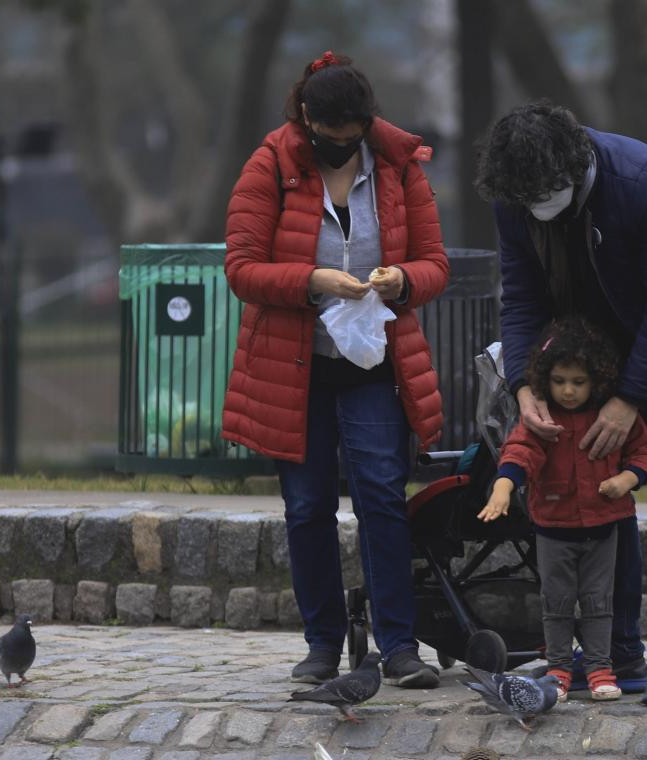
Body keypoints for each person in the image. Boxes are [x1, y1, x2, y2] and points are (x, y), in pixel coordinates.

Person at [474, 102, 647, 708]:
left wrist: (631, 399)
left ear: (576, 169)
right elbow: (522, 294)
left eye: (546, 195)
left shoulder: (643, 181)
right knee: (604, 492)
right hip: (598, 356)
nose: (535, 208)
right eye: (524, 200)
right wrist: (524, 387)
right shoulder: (514, 196)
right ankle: (619, 656)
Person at [221, 51, 448, 688]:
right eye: (330, 141)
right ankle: (322, 642)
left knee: (381, 497)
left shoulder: (401, 170)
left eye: (353, 141)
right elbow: (241, 267)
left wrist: (403, 279)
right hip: (294, 371)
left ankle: (400, 646)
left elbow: (436, 263)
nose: (341, 151)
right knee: (307, 507)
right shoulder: (270, 167)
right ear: (307, 121)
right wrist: (310, 280)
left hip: (375, 363)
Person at [477, 317, 647, 703]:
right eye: (559, 382)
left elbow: (643, 451)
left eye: (578, 382)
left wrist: (626, 479)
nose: (568, 391)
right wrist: (504, 486)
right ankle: (559, 667)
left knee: (598, 601)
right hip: (554, 527)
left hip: (602, 525)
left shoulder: (612, 416)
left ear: (597, 380)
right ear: (546, 380)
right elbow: (519, 450)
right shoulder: (543, 419)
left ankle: (599, 667)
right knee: (556, 602)